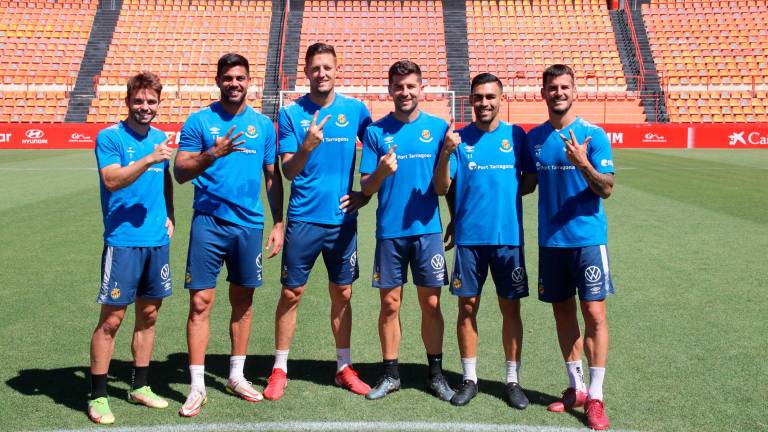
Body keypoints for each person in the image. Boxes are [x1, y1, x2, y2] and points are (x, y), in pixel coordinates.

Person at [174, 53, 284, 417]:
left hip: (249, 226)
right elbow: (180, 172)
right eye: (228, 77)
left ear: (249, 81)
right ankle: (197, 386)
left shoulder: (263, 126)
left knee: (243, 301)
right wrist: (211, 155)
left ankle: (237, 376)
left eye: (240, 77)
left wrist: (278, 222)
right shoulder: (200, 121)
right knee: (200, 303)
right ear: (218, 80)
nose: (234, 83)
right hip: (208, 222)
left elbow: (272, 176)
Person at [262, 42, 372, 400]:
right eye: (315, 68)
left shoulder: (356, 110)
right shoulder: (293, 114)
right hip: (303, 220)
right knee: (292, 293)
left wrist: (365, 194)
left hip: (342, 221)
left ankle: (343, 368)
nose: (321, 73)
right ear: (306, 72)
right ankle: (279, 368)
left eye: (327, 67)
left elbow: (376, 152)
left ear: (336, 69)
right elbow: (289, 171)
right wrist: (308, 145)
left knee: (343, 292)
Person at [522, 64, 614, 431]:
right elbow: (526, 184)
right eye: (552, 88)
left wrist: (583, 163)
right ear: (542, 93)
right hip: (551, 243)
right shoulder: (535, 138)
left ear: (575, 92)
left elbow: (606, 187)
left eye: (564, 87)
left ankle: (596, 395)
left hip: (588, 240)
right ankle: (575, 387)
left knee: (594, 314)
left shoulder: (594, 135)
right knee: (563, 314)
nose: (558, 93)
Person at [358, 60, 454, 401]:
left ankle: (436, 374)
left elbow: (444, 187)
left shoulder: (439, 129)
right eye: (398, 86)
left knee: (431, 303)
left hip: (427, 231)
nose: (405, 92)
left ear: (421, 88)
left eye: (411, 86)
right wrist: (382, 172)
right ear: (390, 90)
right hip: (390, 233)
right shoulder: (375, 132)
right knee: (390, 305)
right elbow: (366, 188)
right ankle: (390, 374)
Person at [433, 73, 529, 409]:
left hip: (508, 239)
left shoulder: (517, 136)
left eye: (490, 96)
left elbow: (528, 181)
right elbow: (443, 187)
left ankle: (512, 380)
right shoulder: (459, 139)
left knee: (510, 308)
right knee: (467, 307)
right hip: (470, 240)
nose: (484, 103)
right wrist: (445, 153)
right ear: (470, 100)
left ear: (501, 99)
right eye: (478, 97)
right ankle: (470, 378)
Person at [89, 71, 175, 424]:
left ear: (158, 104)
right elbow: (111, 179)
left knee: (149, 316)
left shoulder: (160, 139)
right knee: (112, 319)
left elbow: (165, 180)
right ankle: (98, 395)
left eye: (151, 102)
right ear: (127, 102)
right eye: (138, 101)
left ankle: (140, 386)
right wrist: (148, 160)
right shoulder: (109, 137)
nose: (145, 107)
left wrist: (170, 215)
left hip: (157, 243)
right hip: (123, 243)